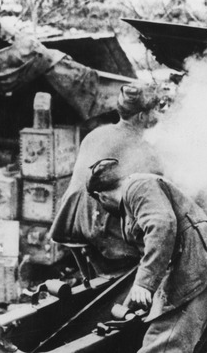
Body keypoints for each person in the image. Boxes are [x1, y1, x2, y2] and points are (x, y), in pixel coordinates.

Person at [85, 158, 207, 353]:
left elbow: (162, 225)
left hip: (197, 277)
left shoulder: (137, 186)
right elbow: (162, 246)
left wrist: (144, 283)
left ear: (100, 196)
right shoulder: (138, 195)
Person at [49, 84, 164, 274]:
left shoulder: (96, 134)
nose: (157, 116)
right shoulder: (141, 148)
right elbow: (156, 189)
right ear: (142, 116)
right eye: (154, 111)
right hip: (99, 231)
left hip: (70, 222)